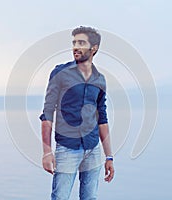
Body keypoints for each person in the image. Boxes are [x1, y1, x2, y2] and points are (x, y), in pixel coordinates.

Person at [39, 26, 114, 200]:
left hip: (93, 148)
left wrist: (109, 156)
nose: (75, 47)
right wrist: (47, 151)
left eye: (81, 43)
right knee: (60, 197)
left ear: (94, 48)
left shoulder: (100, 80)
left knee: (90, 198)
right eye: (74, 43)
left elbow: (102, 117)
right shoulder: (60, 73)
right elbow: (47, 113)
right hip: (67, 149)